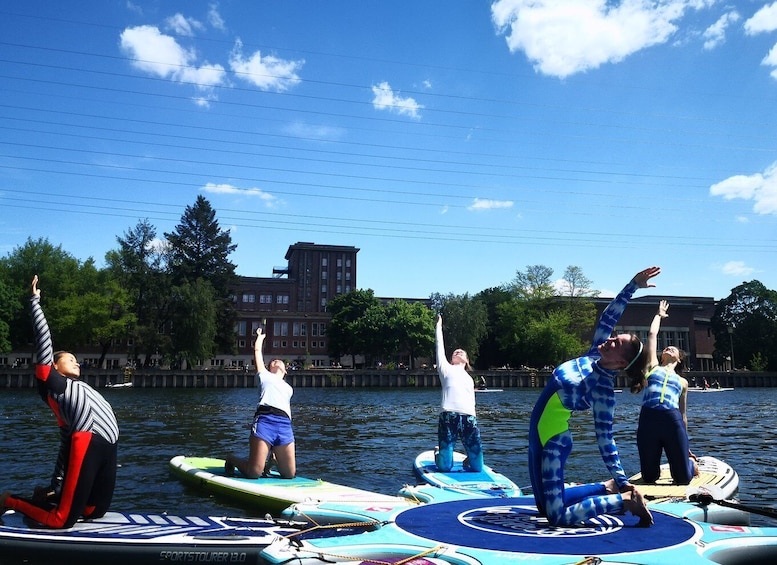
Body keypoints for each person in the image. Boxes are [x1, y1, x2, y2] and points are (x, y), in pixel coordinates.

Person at [527, 267, 661, 527]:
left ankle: (623, 500)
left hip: (553, 441)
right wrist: (633, 285)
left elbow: (606, 440)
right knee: (543, 506)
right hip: (536, 434)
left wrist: (625, 480)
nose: (610, 339)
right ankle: (605, 487)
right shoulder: (593, 355)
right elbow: (609, 315)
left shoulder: (603, 392)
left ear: (621, 362)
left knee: (556, 517)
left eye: (616, 343)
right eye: (614, 337)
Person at [1, 276, 120, 528]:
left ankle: (55, 495)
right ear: (54, 366)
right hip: (89, 439)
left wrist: (56, 484)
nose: (77, 362)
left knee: (93, 511)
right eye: (70, 358)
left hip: (108, 446)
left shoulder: (73, 396)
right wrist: (35, 301)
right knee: (61, 521)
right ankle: (10, 500)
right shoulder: (52, 383)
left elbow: (65, 447)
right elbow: (44, 339)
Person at [634, 300, 698, 485]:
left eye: (674, 349)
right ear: (662, 356)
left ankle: (690, 464)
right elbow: (652, 335)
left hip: (672, 421)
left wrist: (685, 443)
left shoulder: (682, 382)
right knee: (649, 477)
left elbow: (683, 414)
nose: (669, 348)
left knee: (683, 479)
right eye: (667, 348)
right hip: (649, 420)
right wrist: (659, 315)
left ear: (679, 359)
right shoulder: (652, 367)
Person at [225, 327, 296, 479]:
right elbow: (257, 351)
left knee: (289, 474)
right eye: (272, 361)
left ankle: (271, 462)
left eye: (279, 361)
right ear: (269, 367)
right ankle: (231, 458)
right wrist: (260, 337)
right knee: (253, 473)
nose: (275, 361)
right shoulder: (264, 375)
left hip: (284, 425)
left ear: (285, 370)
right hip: (266, 420)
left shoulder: (288, 388)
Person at [434, 314, 483, 473]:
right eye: (456, 352)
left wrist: (474, 418)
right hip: (449, 416)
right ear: (451, 358)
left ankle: (470, 459)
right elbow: (439, 345)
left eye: (462, 352)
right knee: (445, 467)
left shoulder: (469, 379)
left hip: (469, 417)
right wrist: (438, 325)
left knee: (477, 467)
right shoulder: (445, 368)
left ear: (467, 360)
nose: (458, 352)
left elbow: (472, 401)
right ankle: (439, 453)